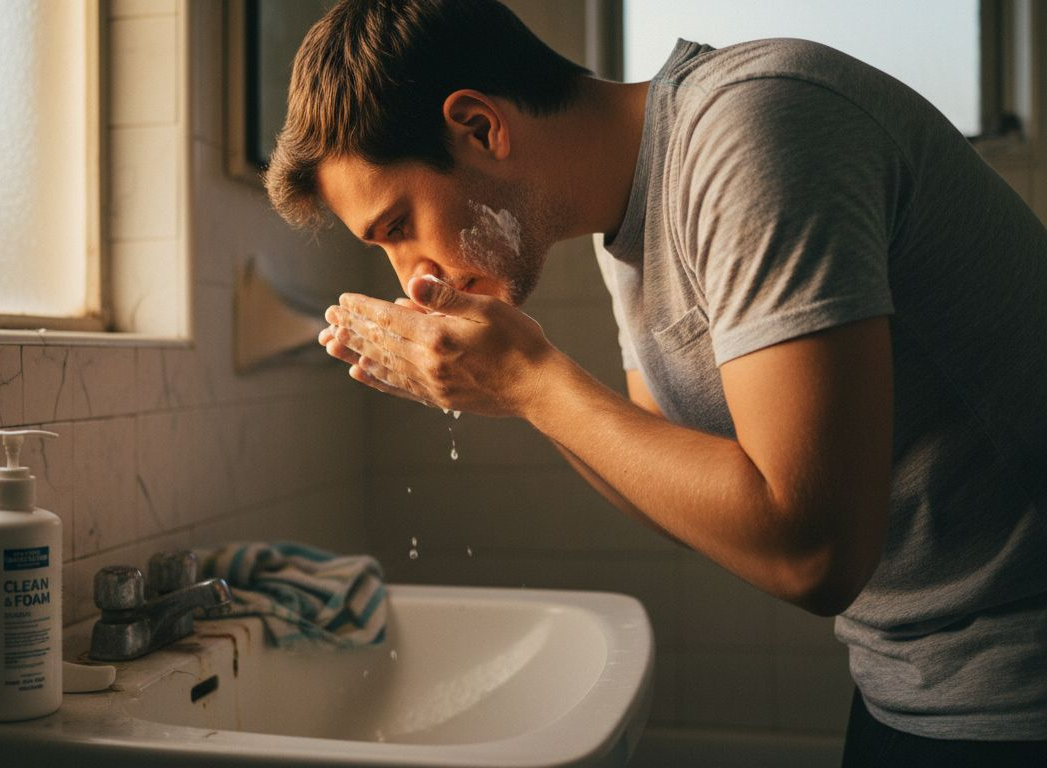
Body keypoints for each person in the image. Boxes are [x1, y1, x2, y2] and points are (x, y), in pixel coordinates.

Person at [264, 1, 1047, 764]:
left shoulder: (752, 130)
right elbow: (669, 474)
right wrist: (511, 392)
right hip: (909, 682)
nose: (412, 277)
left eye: (397, 227)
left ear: (478, 126)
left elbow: (815, 554)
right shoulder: (626, 219)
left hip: (1017, 687)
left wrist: (534, 382)